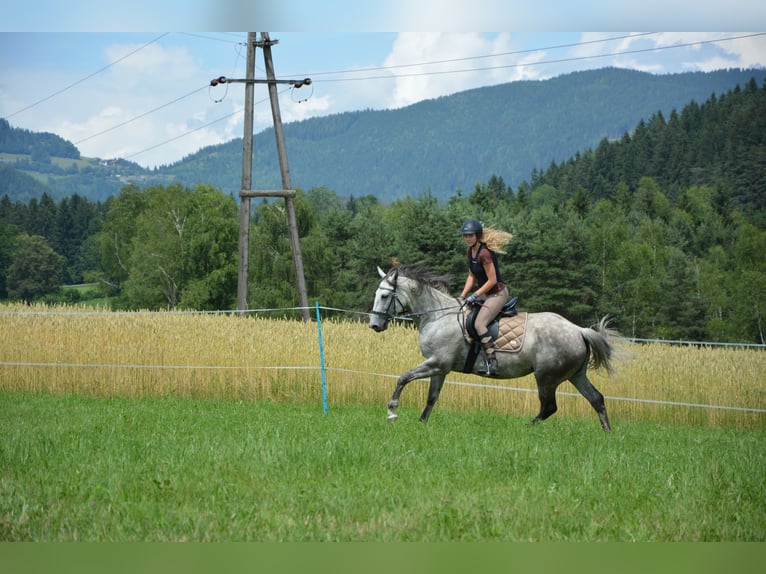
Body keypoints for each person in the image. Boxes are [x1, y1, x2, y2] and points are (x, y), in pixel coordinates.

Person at [459, 218, 512, 376]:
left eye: (471, 235)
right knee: (466, 317)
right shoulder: (470, 251)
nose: (468, 238)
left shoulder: (484, 253)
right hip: (485, 294)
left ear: (477, 236)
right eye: (465, 236)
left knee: (480, 324)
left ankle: (492, 361)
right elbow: (471, 277)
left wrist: (475, 294)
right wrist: (462, 296)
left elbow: (492, 280)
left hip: (497, 293)